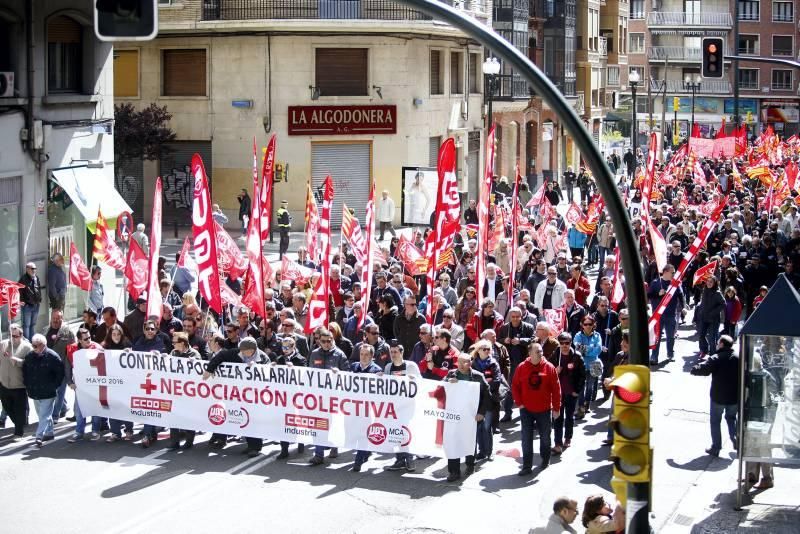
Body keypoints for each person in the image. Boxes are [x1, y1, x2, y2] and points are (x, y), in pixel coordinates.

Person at [204, 337, 269, 455]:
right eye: (241, 350)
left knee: (253, 420)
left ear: (253, 350)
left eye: (245, 351)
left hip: (255, 395)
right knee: (245, 419)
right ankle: (250, 445)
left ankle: (255, 447)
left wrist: (258, 369)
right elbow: (221, 356)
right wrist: (210, 369)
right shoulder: (236, 352)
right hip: (239, 394)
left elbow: (270, 374)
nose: (242, 353)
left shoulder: (263, 358)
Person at [512, 342, 561, 475]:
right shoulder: (522, 367)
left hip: (544, 409)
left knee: (545, 437)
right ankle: (526, 466)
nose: (541, 353)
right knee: (526, 438)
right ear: (530, 353)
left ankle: (545, 459)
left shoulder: (549, 367)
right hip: (526, 409)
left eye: (541, 351)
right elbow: (515, 386)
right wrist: (519, 403)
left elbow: (556, 390)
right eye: (537, 351)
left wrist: (556, 408)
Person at [690, 335, 739, 457]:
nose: (717, 345)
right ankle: (735, 439)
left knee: (715, 421)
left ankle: (716, 447)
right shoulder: (739, 358)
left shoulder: (715, 358)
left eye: (718, 343)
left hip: (718, 397)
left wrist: (694, 368)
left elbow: (704, 370)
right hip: (734, 397)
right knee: (732, 418)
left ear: (722, 344)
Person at [444, 352, 490, 482]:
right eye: (462, 362)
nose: (465, 364)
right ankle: (454, 471)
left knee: (469, 440)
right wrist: (448, 383)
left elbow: (487, 395)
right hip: (454, 416)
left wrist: (481, 412)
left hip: (472, 416)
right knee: (453, 442)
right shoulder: (451, 374)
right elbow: (440, 389)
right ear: (457, 363)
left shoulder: (478, 376)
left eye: (468, 361)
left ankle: (470, 464)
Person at [307, 329, 350, 465]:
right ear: (319, 341)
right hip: (318, 398)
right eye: (324, 341)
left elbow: (348, 374)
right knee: (318, 425)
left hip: (334, 398)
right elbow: (309, 373)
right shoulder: (314, 354)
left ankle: (334, 446)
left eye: (329, 341)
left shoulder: (340, 355)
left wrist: (339, 374)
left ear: (333, 340)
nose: (326, 343)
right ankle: (318, 454)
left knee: (332, 424)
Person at [23, 334, 64, 448]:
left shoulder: (53, 356)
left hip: (48, 392)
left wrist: (54, 386)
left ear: (43, 345)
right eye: (33, 345)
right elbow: (25, 372)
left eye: (36, 346)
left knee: (44, 415)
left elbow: (60, 373)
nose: (34, 348)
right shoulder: (30, 356)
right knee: (43, 415)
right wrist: (27, 385)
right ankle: (49, 432)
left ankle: (39, 436)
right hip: (34, 391)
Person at [383, 341, 419, 472]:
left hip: (408, 406)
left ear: (401, 352)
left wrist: (413, 379)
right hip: (394, 407)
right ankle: (399, 459)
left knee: (407, 433)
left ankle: (409, 459)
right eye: (391, 352)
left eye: (395, 352)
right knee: (395, 433)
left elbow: (421, 383)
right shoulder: (388, 367)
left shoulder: (411, 366)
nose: (393, 354)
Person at [65, 329, 104, 443]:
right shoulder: (71, 349)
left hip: (95, 385)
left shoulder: (97, 348)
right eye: (86, 339)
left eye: (90, 337)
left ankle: (95, 430)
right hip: (80, 386)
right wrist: (69, 382)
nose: (89, 340)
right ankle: (79, 431)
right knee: (79, 409)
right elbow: (67, 367)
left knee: (95, 409)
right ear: (79, 340)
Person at [350, 344, 384, 472]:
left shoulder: (376, 370)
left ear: (371, 356)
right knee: (355, 431)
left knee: (363, 433)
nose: (363, 357)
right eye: (361, 354)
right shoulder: (353, 367)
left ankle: (358, 461)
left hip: (368, 409)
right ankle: (365, 453)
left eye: (366, 355)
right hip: (354, 407)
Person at [470, 340, 505, 460]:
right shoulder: (473, 363)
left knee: (487, 426)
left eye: (488, 349)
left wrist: (484, 387)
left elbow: (496, 380)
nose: (486, 351)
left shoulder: (493, 363)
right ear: (478, 350)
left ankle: (489, 452)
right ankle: (482, 451)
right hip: (476, 399)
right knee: (478, 427)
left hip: (489, 399)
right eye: (484, 349)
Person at [551, 332, 585, 455]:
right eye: (562, 343)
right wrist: (555, 371)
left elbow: (582, 376)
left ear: (571, 343)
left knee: (569, 417)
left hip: (571, 393)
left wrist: (577, 391)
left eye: (567, 343)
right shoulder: (555, 355)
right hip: (558, 393)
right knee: (557, 418)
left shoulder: (577, 356)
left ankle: (568, 437)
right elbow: (548, 371)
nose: (564, 346)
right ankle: (557, 443)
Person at [166, 332, 201, 450]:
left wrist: (194, 364)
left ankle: (189, 440)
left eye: (174, 342)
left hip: (188, 391)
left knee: (188, 416)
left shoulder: (194, 354)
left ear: (182, 343)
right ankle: (174, 442)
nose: (172, 344)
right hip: (175, 389)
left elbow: (199, 371)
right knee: (173, 415)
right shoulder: (173, 353)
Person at [648, 264, 685, 365]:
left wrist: (683, 307)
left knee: (670, 336)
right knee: (657, 337)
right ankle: (654, 357)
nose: (674, 274)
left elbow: (681, 295)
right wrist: (658, 294)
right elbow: (648, 295)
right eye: (672, 272)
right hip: (658, 315)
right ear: (666, 272)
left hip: (670, 314)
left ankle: (670, 354)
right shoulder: (655, 283)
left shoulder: (675, 283)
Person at [0, 324, 31, 440]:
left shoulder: (27, 347)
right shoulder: (3, 345)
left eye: (15, 336)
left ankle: (19, 431)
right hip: (4, 383)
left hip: (19, 385)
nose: (12, 338)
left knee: (19, 409)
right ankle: (19, 423)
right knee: (7, 407)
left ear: (21, 335)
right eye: (11, 335)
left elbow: (31, 364)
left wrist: (18, 362)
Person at [44, 309, 75, 422]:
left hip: (62, 366)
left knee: (60, 391)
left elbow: (72, 350)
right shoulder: (46, 330)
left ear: (62, 319)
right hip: (48, 367)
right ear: (51, 318)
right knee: (54, 390)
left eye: (58, 318)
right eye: (54, 318)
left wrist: (70, 366)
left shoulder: (68, 332)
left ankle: (54, 416)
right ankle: (63, 407)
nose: (56, 320)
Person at [697, 275, 725, 358]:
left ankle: (713, 355)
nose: (709, 283)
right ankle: (704, 350)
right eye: (708, 281)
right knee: (701, 335)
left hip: (713, 319)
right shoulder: (704, 290)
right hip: (703, 317)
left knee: (712, 339)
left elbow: (723, 304)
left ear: (714, 283)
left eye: (711, 282)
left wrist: (714, 312)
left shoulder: (717, 293)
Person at [19, 262, 42, 341]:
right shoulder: (23, 279)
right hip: (28, 306)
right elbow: (19, 291)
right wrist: (23, 302)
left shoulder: (36, 278)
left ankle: (32, 341)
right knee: (26, 325)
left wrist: (39, 300)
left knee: (33, 324)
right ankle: (27, 343)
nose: (34, 270)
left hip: (36, 305)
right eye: (32, 269)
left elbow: (39, 289)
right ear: (27, 269)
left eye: (35, 268)